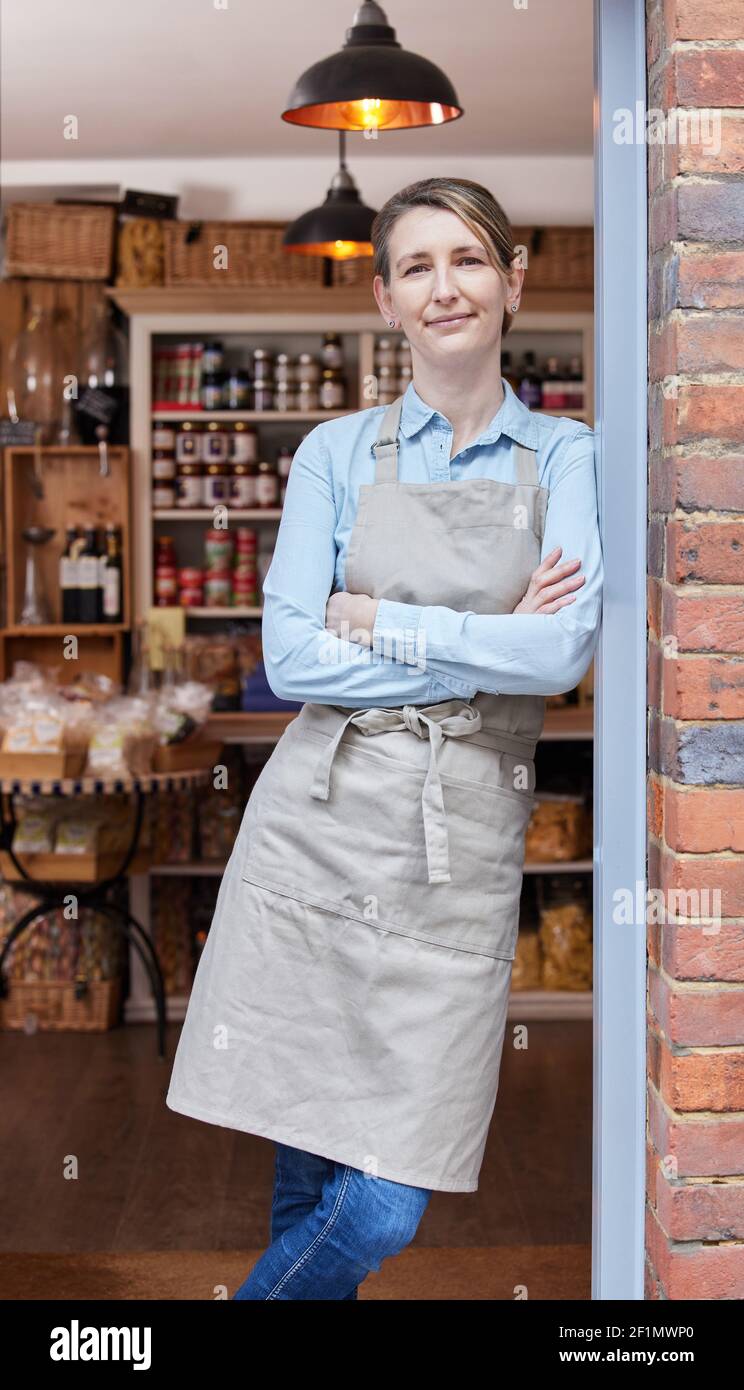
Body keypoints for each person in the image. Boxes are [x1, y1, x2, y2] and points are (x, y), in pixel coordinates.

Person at [166, 176, 604, 1300]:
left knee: (385, 1199)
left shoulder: (567, 458)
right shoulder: (335, 454)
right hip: (321, 821)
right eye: (416, 266)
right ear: (384, 298)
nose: (443, 286)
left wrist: (390, 621)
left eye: (467, 260)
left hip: (454, 844)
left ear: (512, 282)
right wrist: (485, 636)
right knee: (305, 1139)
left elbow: (560, 659)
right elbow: (294, 661)